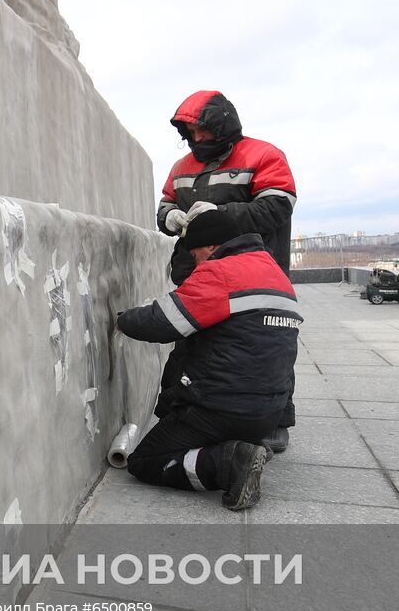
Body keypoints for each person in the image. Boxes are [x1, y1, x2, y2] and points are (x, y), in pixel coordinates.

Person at [115, 210, 302, 511]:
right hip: (269, 412)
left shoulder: (221, 271)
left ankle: (230, 462)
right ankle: (244, 446)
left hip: (222, 408)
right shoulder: (275, 272)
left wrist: (122, 321)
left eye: (195, 252)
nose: (195, 261)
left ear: (212, 246)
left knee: (145, 460)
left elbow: (163, 321)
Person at [157, 90, 298, 453]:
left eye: (203, 131)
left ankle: (276, 421)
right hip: (198, 271)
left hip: (254, 273)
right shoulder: (182, 167)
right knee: (191, 345)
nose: (196, 140)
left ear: (222, 126)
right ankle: (181, 412)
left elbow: (276, 209)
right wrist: (168, 217)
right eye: (190, 133)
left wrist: (221, 214)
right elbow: (166, 204)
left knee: (264, 349)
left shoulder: (264, 155)